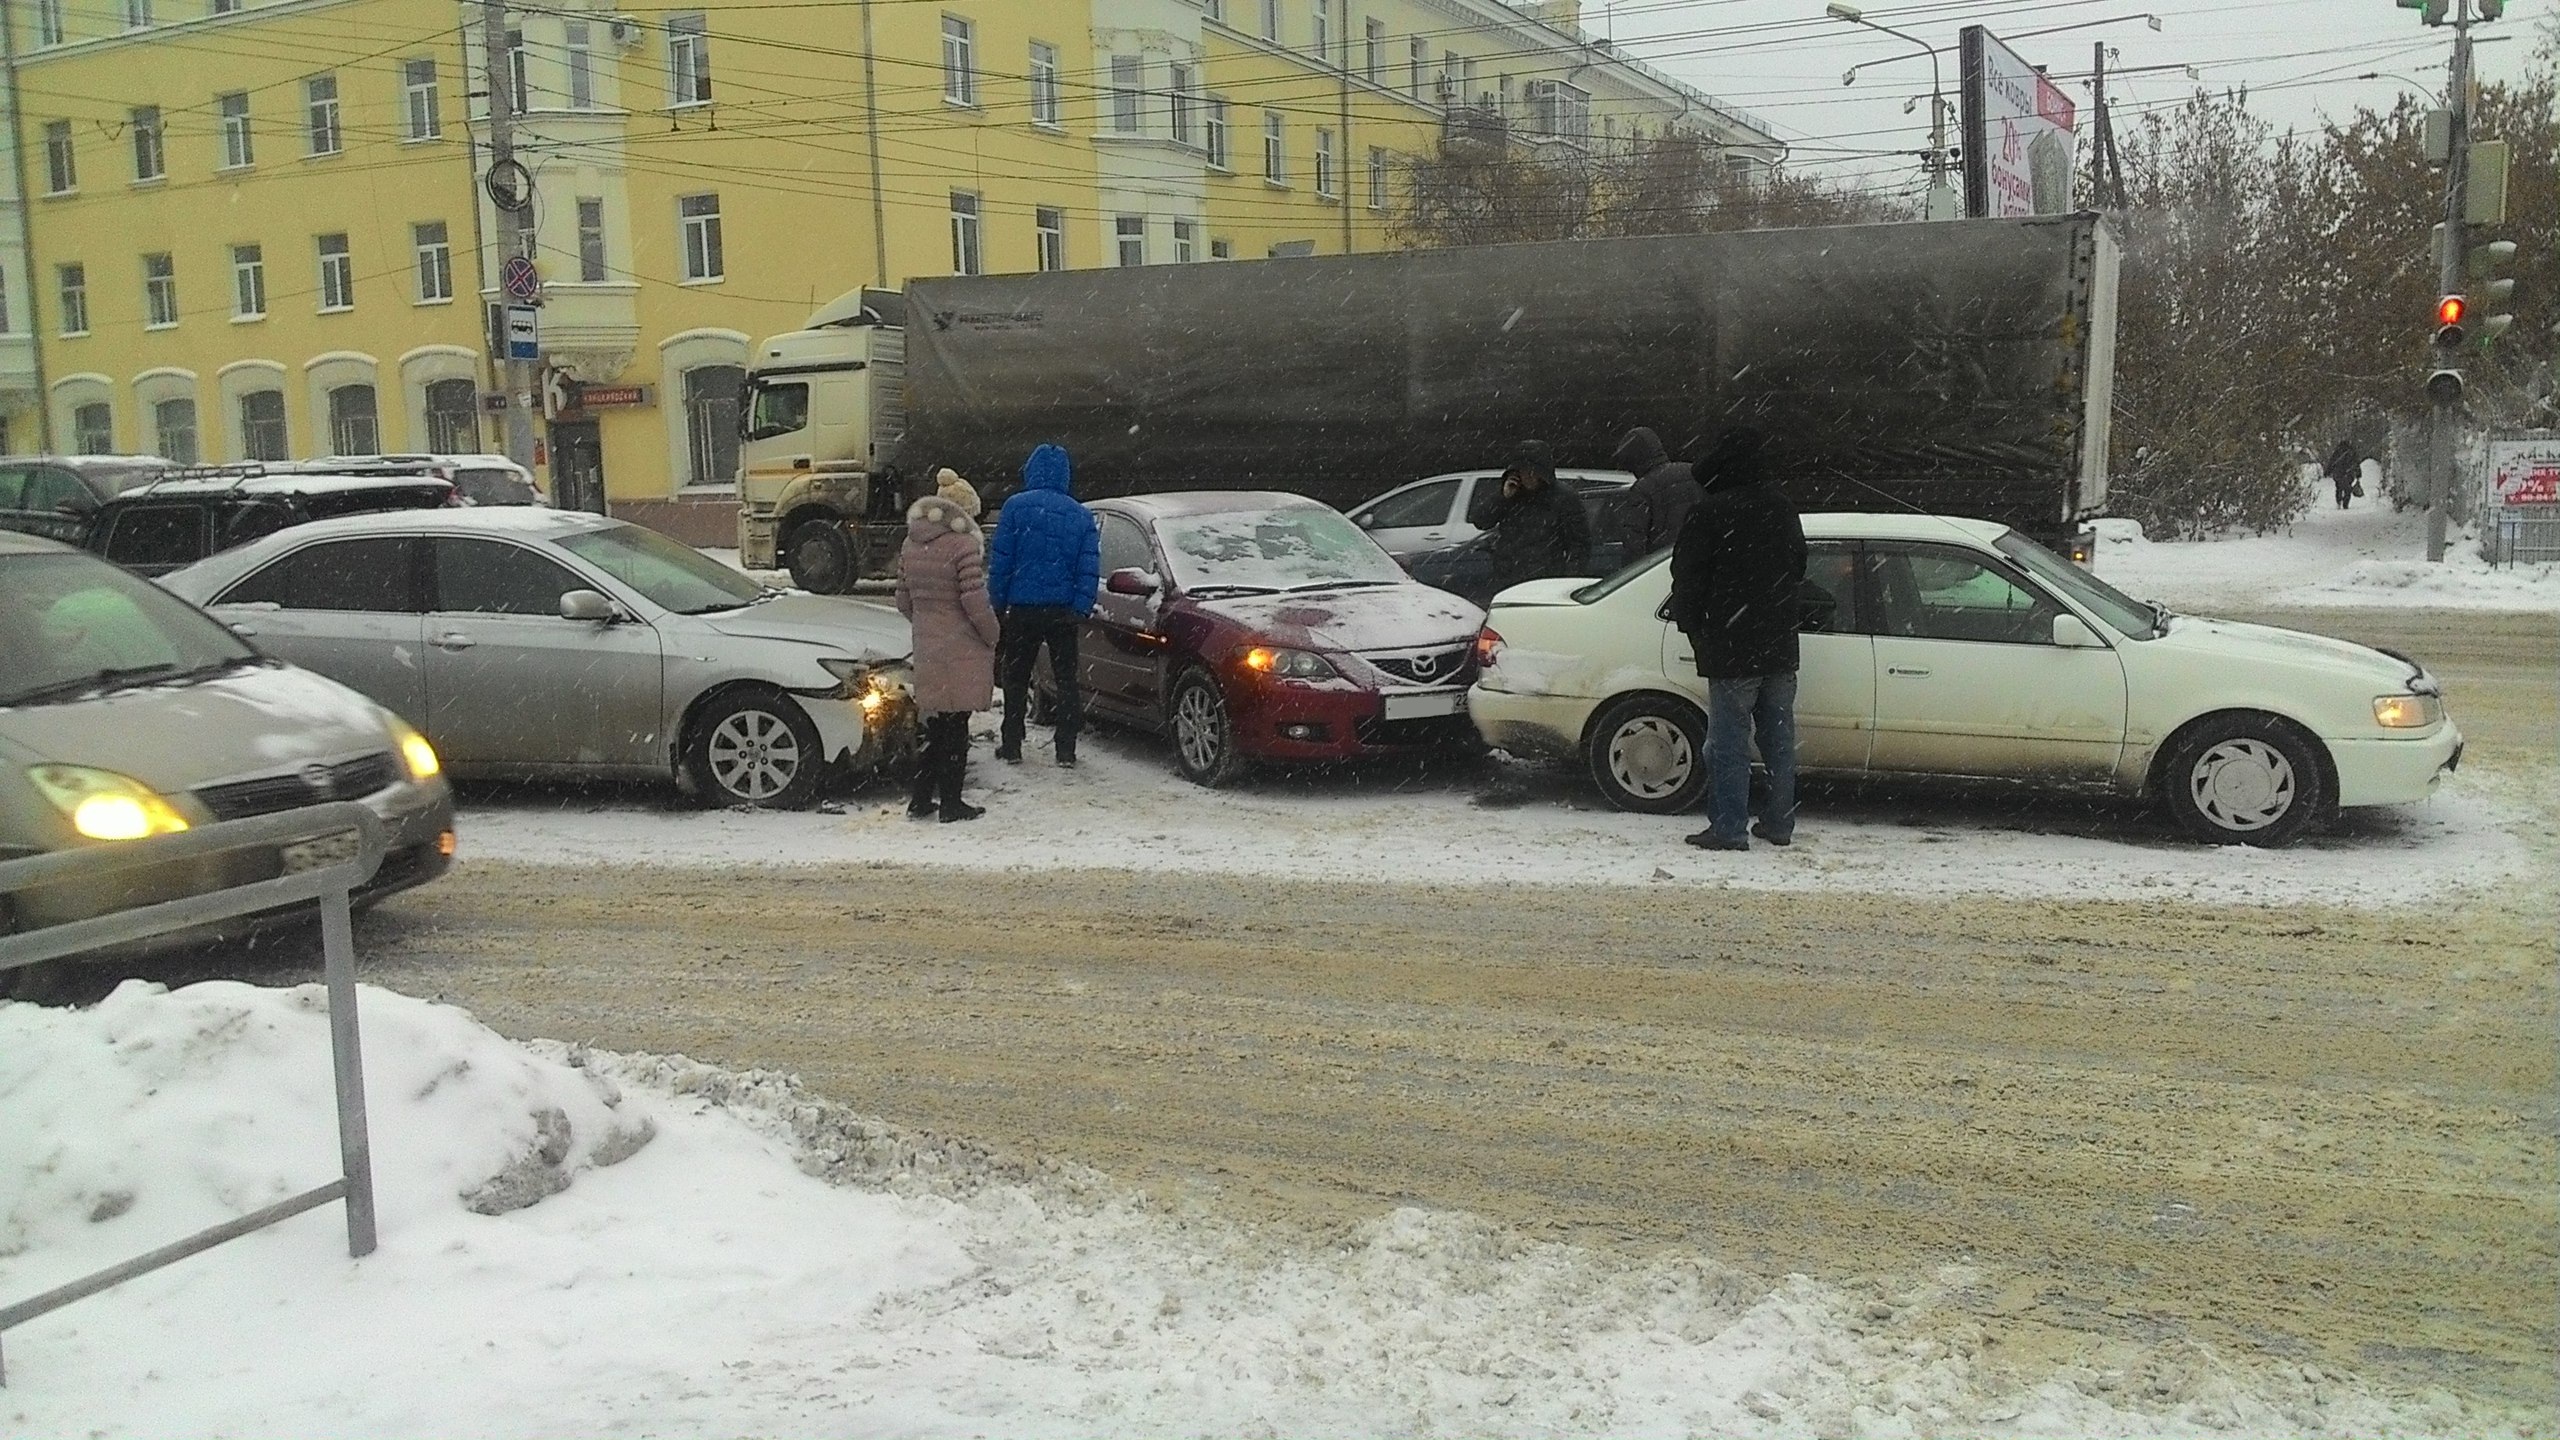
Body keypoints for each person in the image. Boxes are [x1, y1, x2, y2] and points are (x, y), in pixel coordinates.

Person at [1666, 425, 1806, 852]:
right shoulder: (1782, 508)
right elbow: (1798, 566)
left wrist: (1692, 625)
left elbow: (1686, 577)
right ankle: (1779, 824)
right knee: (1779, 741)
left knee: (1728, 744)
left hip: (1731, 646)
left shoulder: (1710, 513)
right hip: (1779, 643)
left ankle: (1728, 828)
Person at [986, 442, 1100, 767]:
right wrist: (1081, 606)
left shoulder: (1015, 507)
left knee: (1016, 675)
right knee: (1066, 679)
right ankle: (1066, 749)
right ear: (1066, 475)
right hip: (1062, 611)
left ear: (1031, 470)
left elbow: (1002, 561)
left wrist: (998, 601)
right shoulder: (1080, 514)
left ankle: (1012, 744)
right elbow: (1088, 567)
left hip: (1022, 609)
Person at [893, 472, 999, 822]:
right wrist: (992, 634)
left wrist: (926, 625)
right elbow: (974, 600)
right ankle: (952, 804)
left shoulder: (910, 543)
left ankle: (921, 799)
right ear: (963, 512)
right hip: (960, 648)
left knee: (935, 726)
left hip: (928, 646)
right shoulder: (962, 546)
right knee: (956, 729)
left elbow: (902, 599)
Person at [1477, 440, 1591, 598]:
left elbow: (1579, 543)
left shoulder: (1563, 498)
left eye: (1532, 472)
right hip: (1509, 579)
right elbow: (1481, 521)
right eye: (1523, 472)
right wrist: (1502, 497)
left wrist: (1567, 579)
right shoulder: (1511, 495)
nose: (1528, 477)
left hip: (1546, 580)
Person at [1609, 425, 1703, 559]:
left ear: (1634, 461)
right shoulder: (1694, 473)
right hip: (1701, 560)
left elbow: (1634, 541)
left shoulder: (1644, 488)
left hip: (1661, 566)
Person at [2323, 439, 2360, 511]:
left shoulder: (2337, 452)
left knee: (2339, 488)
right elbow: (2356, 463)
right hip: (2348, 473)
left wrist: (2327, 472)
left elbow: (2332, 462)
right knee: (2348, 489)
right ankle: (2345, 504)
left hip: (2338, 473)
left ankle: (2339, 501)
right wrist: (2358, 474)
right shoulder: (2351, 452)